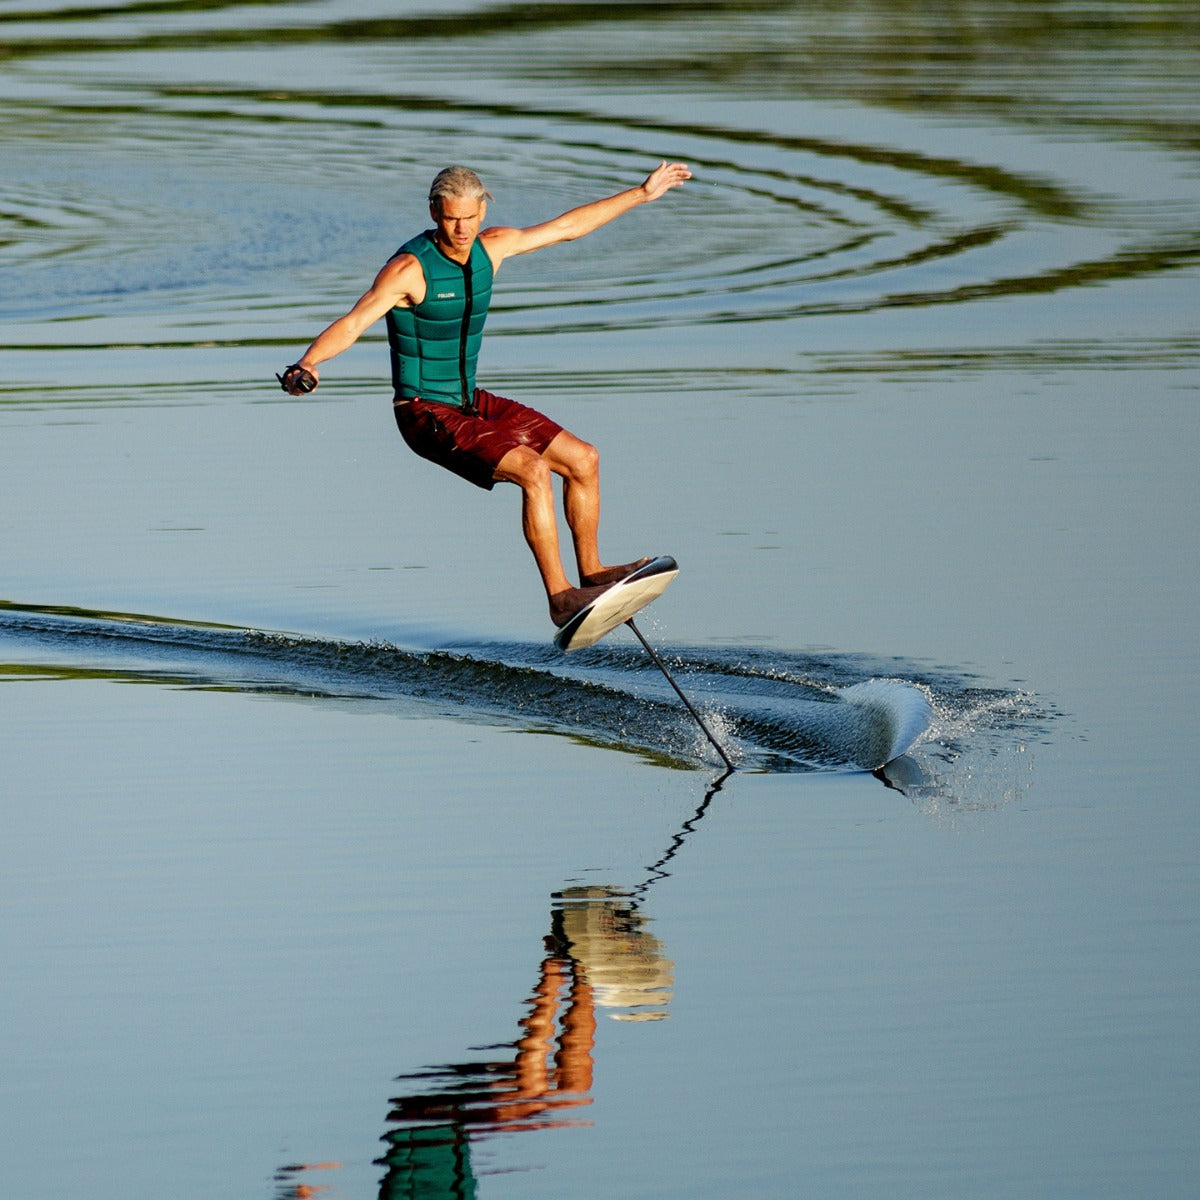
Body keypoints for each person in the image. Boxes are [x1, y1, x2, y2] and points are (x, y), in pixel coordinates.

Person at [277, 160, 692, 627]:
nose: (462, 228)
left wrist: (641, 192)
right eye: (452, 218)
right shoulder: (409, 270)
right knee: (533, 470)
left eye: (470, 218)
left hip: (469, 400)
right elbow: (354, 321)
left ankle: (592, 571)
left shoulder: (491, 247)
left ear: (482, 210)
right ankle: (560, 599)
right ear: (435, 211)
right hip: (423, 412)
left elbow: (568, 228)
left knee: (584, 459)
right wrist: (308, 364)